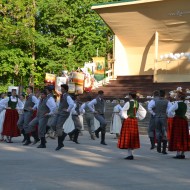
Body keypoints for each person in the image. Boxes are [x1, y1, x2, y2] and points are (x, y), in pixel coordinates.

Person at [118, 92, 146, 160]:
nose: (128, 97)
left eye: (128, 95)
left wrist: (125, 116)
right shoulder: (137, 103)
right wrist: (138, 117)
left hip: (128, 120)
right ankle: (131, 154)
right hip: (134, 121)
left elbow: (123, 111)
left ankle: (130, 154)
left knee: (128, 136)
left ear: (130, 96)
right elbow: (144, 111)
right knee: (132, 137)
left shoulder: (128, 103)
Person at [50, 84, 74, 151]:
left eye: (63, 89)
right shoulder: (62, 95)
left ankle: (60, 144)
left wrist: (67, 110)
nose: (61, 90)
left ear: (66, 90)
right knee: (52, 124)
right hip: (59, 112)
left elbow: (72, 104)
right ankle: (63, 134)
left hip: (64, 114)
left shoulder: (68, 96)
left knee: (58, 127)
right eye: (61, 89)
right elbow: (60, 104)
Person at [168, 91, 190, 159]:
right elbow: (188, 113)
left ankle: (178, 154)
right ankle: (182, 153)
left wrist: (172, 115)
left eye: (177, 96)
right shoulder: (186, 105)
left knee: (178, 136)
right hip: (184, 121)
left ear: (179, 97)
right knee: (184, 136)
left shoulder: (176, 104)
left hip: (177, 121)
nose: (175, 97)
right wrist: (186, 117)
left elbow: (170, 111)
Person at [148, 90, 170, 154]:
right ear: (164, 95)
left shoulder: (155, 101)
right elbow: (170, 109)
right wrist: (167, 114)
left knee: (158, 131)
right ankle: (164, 150)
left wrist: (154, 114)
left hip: (157, 117)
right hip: (164, 117)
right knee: (164, 132)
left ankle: (158, 148)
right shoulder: (167, 102)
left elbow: (149, 108)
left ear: (159, 95)